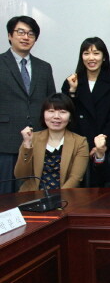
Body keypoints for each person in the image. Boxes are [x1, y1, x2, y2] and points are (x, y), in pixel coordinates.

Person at [0, 16, 56, 193]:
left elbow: (51, 103)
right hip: (5, 140)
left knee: (32, 194)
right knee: (5, 195)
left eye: (31, 34)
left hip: (38, 140)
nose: (26, 37)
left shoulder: (44, 67)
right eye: (21, 32)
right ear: (10, 35)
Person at [15, 93, 89, 192]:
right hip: (32, 196)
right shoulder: (32, 138)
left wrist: (58, 198)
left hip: (65, 197)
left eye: (62, 112)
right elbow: (21, 175)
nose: (56, 116)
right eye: (51, 111)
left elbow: (75, 178)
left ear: (70, 117)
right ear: (43, 114)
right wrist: (27, 145)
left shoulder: (80, 142)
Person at [62, 37, 110, 152]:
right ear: (81, 57)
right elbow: (66, 115)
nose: (91, 58)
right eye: (86, 53)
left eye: (96, 53)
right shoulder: (71, 81)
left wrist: (102, 145)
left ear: (104, 57)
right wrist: (72, 91)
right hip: (78, 145)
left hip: (106, 144)